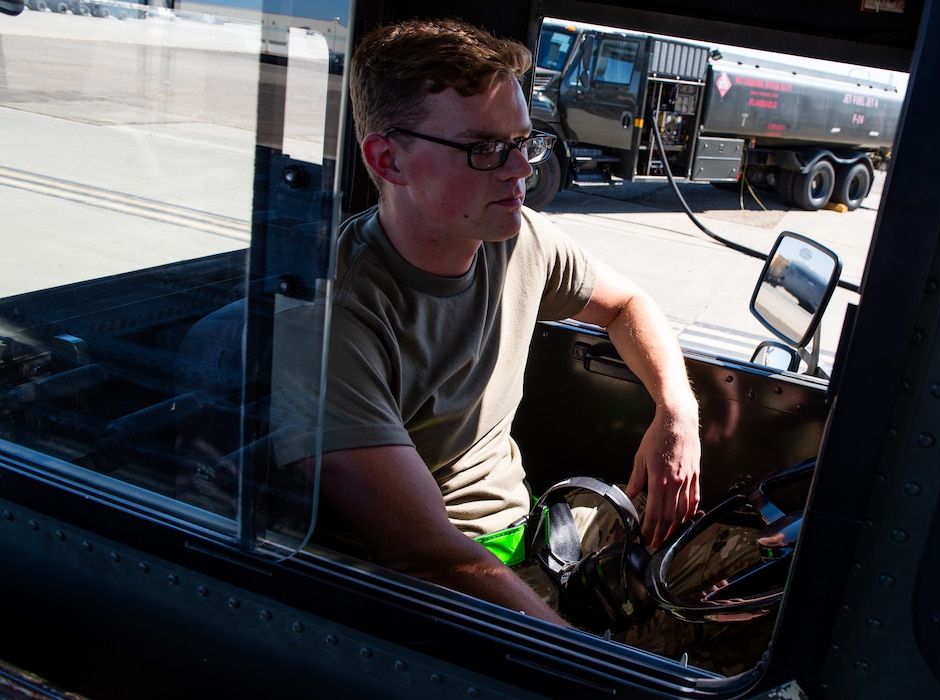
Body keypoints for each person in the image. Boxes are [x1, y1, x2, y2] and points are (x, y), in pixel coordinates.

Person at [269, 18, 701, 628]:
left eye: (526, 141)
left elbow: (628, 306)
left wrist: (677, 414)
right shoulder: (332, 319)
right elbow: (423, 554)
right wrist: (586, 661)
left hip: (528, 536)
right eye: (484, 149)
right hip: (438, 592)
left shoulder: (514, 239)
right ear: (388, 159)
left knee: (738, 567)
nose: (520, 169)